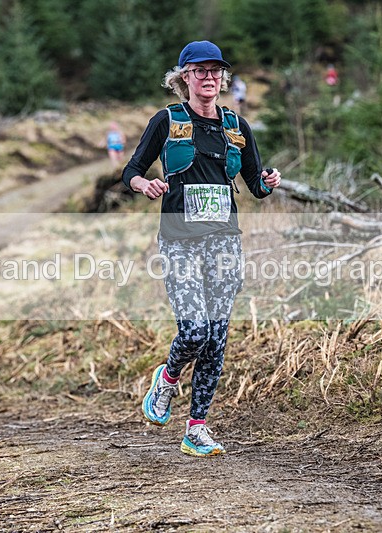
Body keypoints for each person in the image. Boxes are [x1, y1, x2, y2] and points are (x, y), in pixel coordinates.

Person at [122, 40, 281, 457]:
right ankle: (168, 378)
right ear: (184, 78)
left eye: (216, 71)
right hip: (179, 239)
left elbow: (255, 187)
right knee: (195, 329)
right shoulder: (167, 120)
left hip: (224, 240)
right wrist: (146, 184)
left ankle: (197, 427)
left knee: (216, 336)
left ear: (222, 78)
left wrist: (269, 182)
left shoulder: (236, 126)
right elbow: (132, 170)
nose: (209, 77)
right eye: (200, 70)